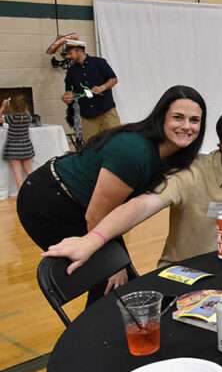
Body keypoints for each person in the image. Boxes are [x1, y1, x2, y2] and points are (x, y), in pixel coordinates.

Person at [43, 106, 222, 271]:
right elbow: (141, 206)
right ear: (220, 143)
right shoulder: (192, 173)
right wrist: (92, 241)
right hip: (187, 279)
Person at [21, 85, 206, 300]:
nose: (187, 126)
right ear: (161, 117)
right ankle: (95, 333)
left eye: (194, 120)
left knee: (122, 284)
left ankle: (103, 329)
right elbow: (95, 215)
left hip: (84, 205)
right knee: (111, 280)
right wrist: (113, 264)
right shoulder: (134, 152)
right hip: (49, 201)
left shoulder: (172, 156)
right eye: (178, 118)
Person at [61, 39, 121, 142]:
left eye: (70, 53)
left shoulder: (99, 62)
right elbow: (68, 91)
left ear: (79, 51)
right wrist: (67, 97)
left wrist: (102, 87)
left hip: (107, 112)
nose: (69, 56)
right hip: (87, 116)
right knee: (91, 147)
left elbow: (113, 79)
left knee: (116, 141)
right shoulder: (71, 71)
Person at [0, 95, 34, 190]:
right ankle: (35, 190)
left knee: (17, 172)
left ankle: (21, 193)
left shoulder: (11, 117)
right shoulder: (28, 116)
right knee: (29, 171)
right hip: (26, 147)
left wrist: (3, 106)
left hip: (14, 148)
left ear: (11, 107)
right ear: (25, 106)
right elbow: (25, 111)